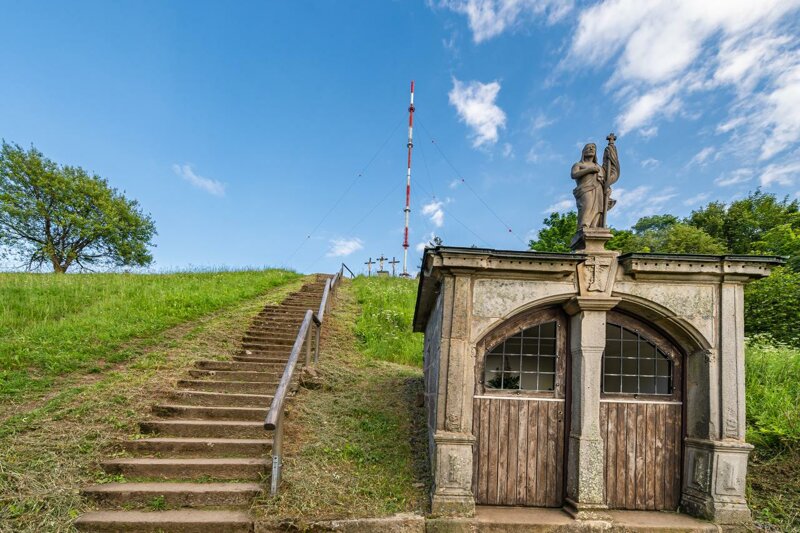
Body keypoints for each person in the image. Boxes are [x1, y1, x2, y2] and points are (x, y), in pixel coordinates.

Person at [571, 143, 605, 229]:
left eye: (593, 148)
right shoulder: (578, 165)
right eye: (588, 148)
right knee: (587, 206)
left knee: (599, 208)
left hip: (598, 189)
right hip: (585, 189)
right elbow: (574, 175)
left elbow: (604, 180)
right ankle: (583, 226)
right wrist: (589, 170)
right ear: (583, 152)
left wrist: (607, 188)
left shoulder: (599, 167)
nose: (591, 149)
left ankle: (594, 226)